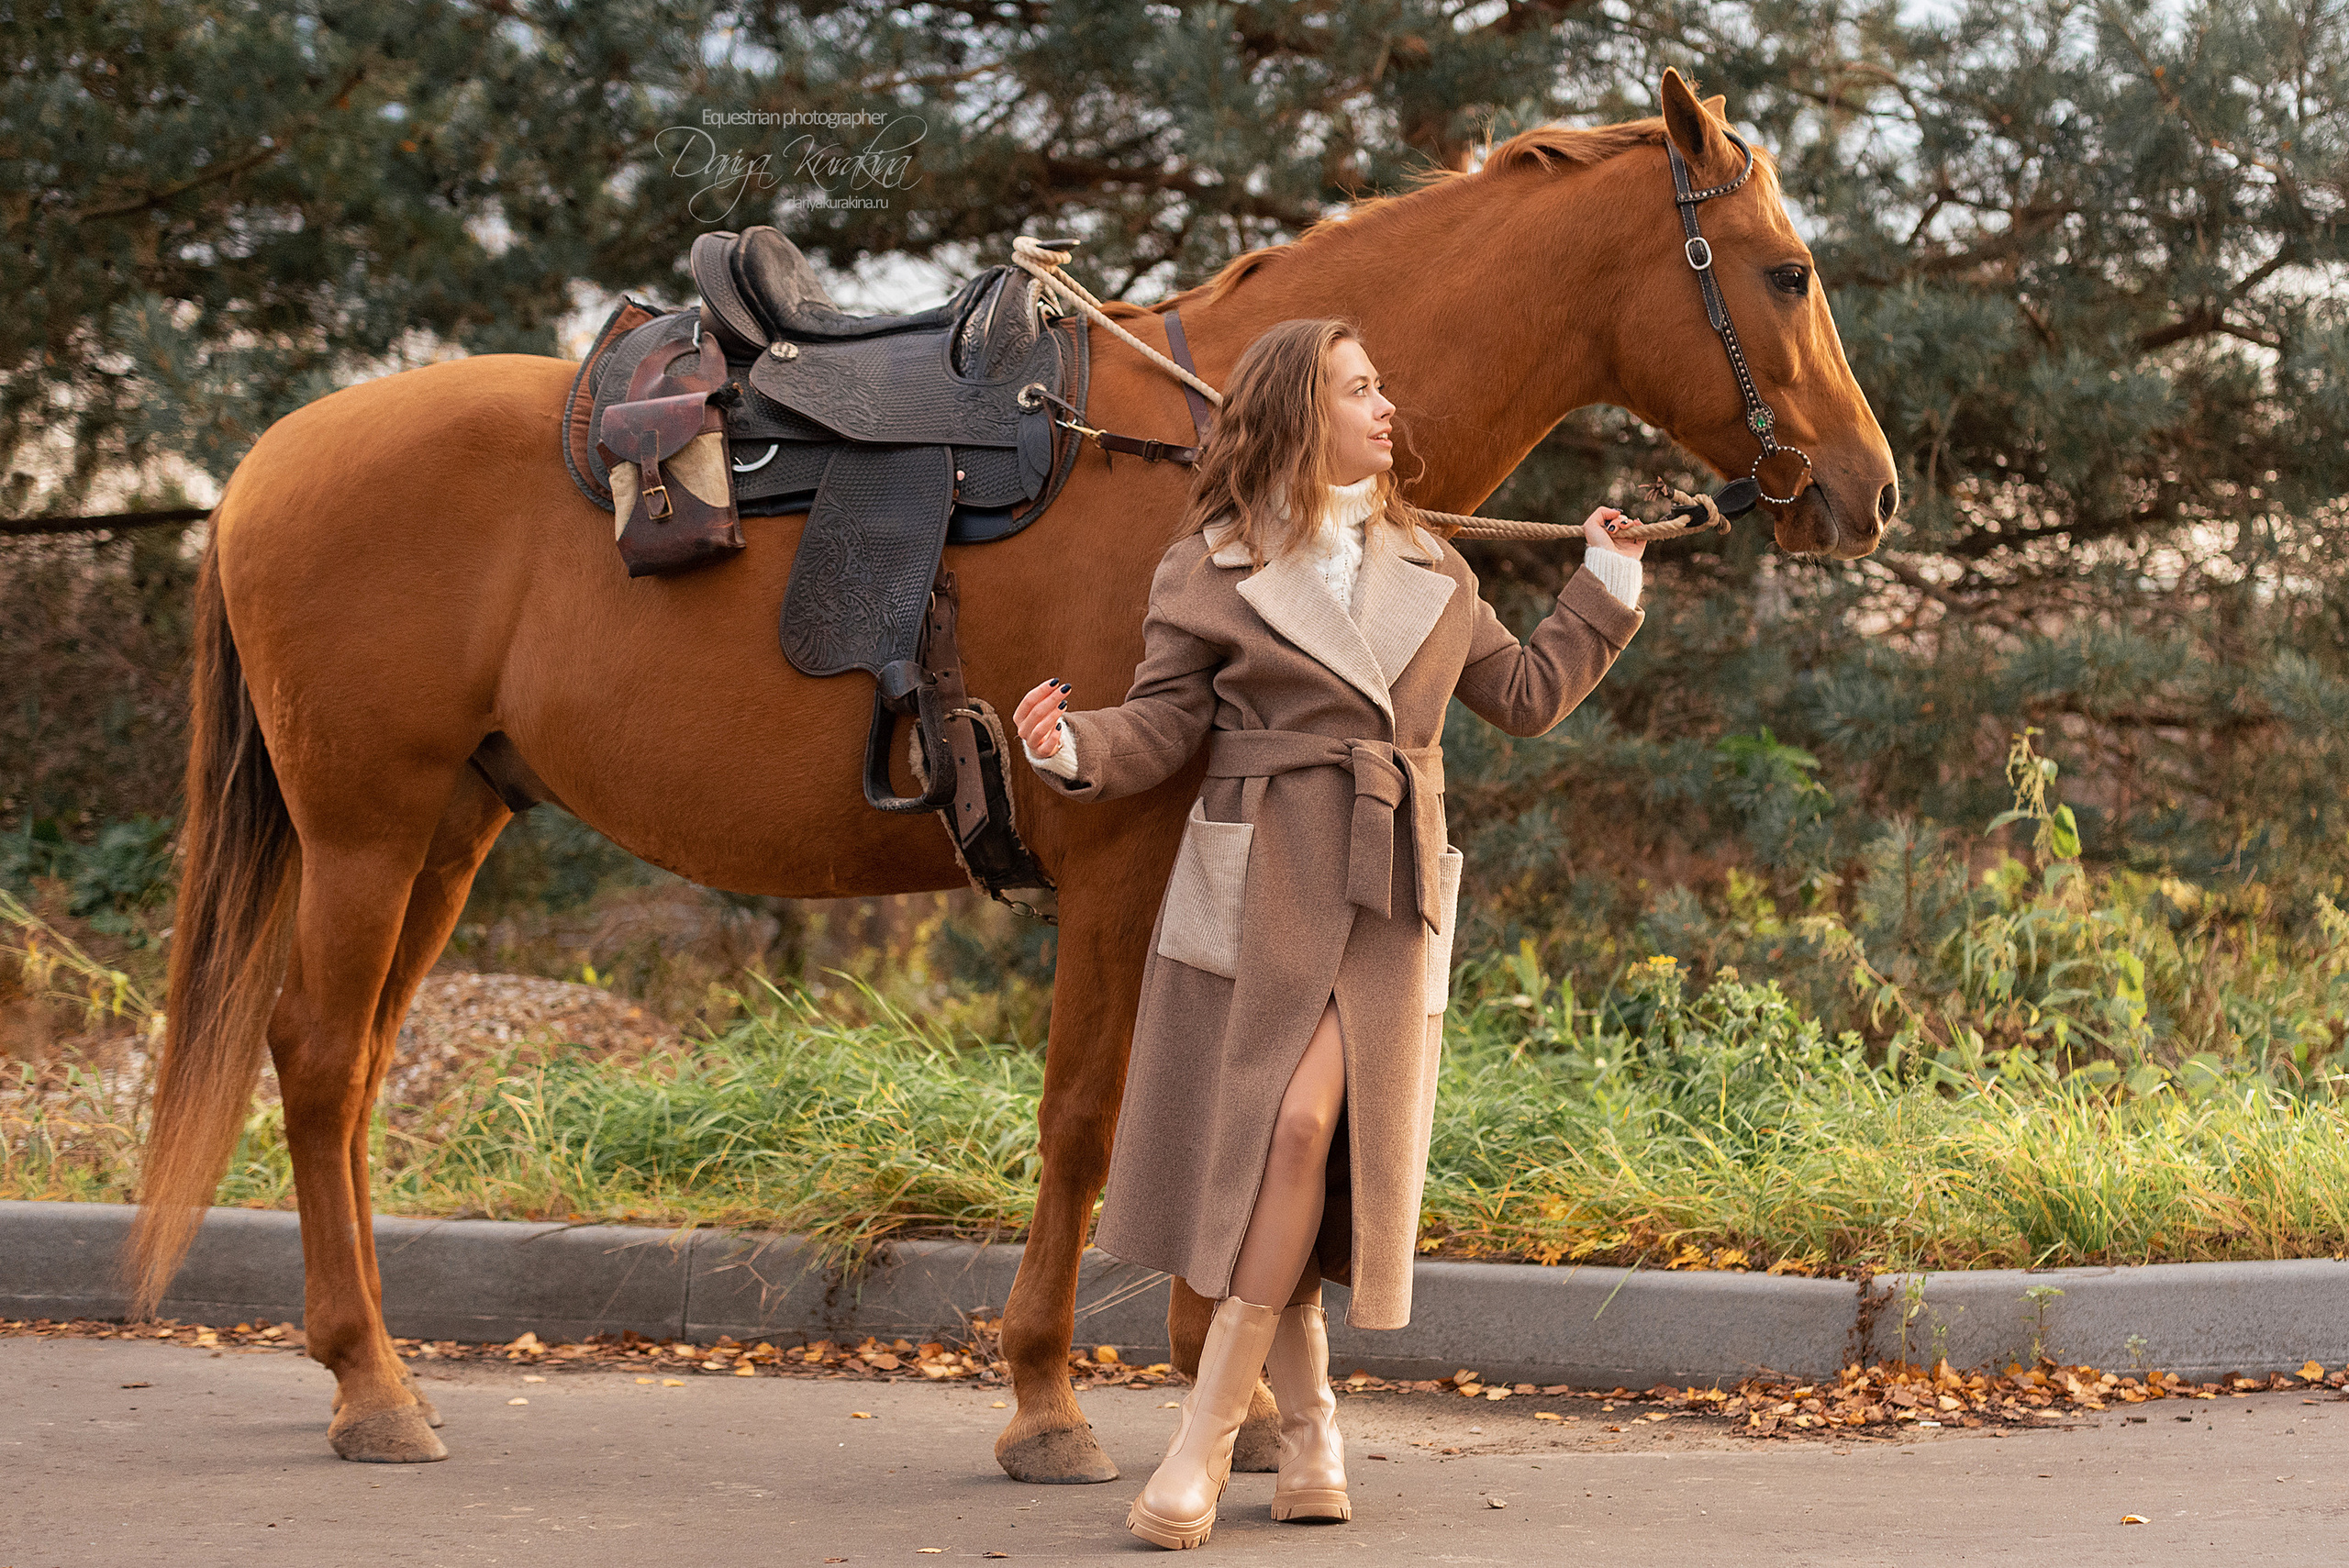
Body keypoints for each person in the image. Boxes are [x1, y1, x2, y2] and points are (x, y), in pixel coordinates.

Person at [1011, 317, 1644, 1551]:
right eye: (1359, 389)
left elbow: (1523, 698)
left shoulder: (1435, 566)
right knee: (1286, 1142)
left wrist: (1604, 585)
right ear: (1299, 414)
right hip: (1265, 881)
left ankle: (1202, 1439)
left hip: (1387, 883)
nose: (1386, 407)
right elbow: (1161, 725)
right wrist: (1069, 744)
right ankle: (1307, 1435)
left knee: (1304, 1133)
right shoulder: (1209, 568)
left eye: (1380, 384)